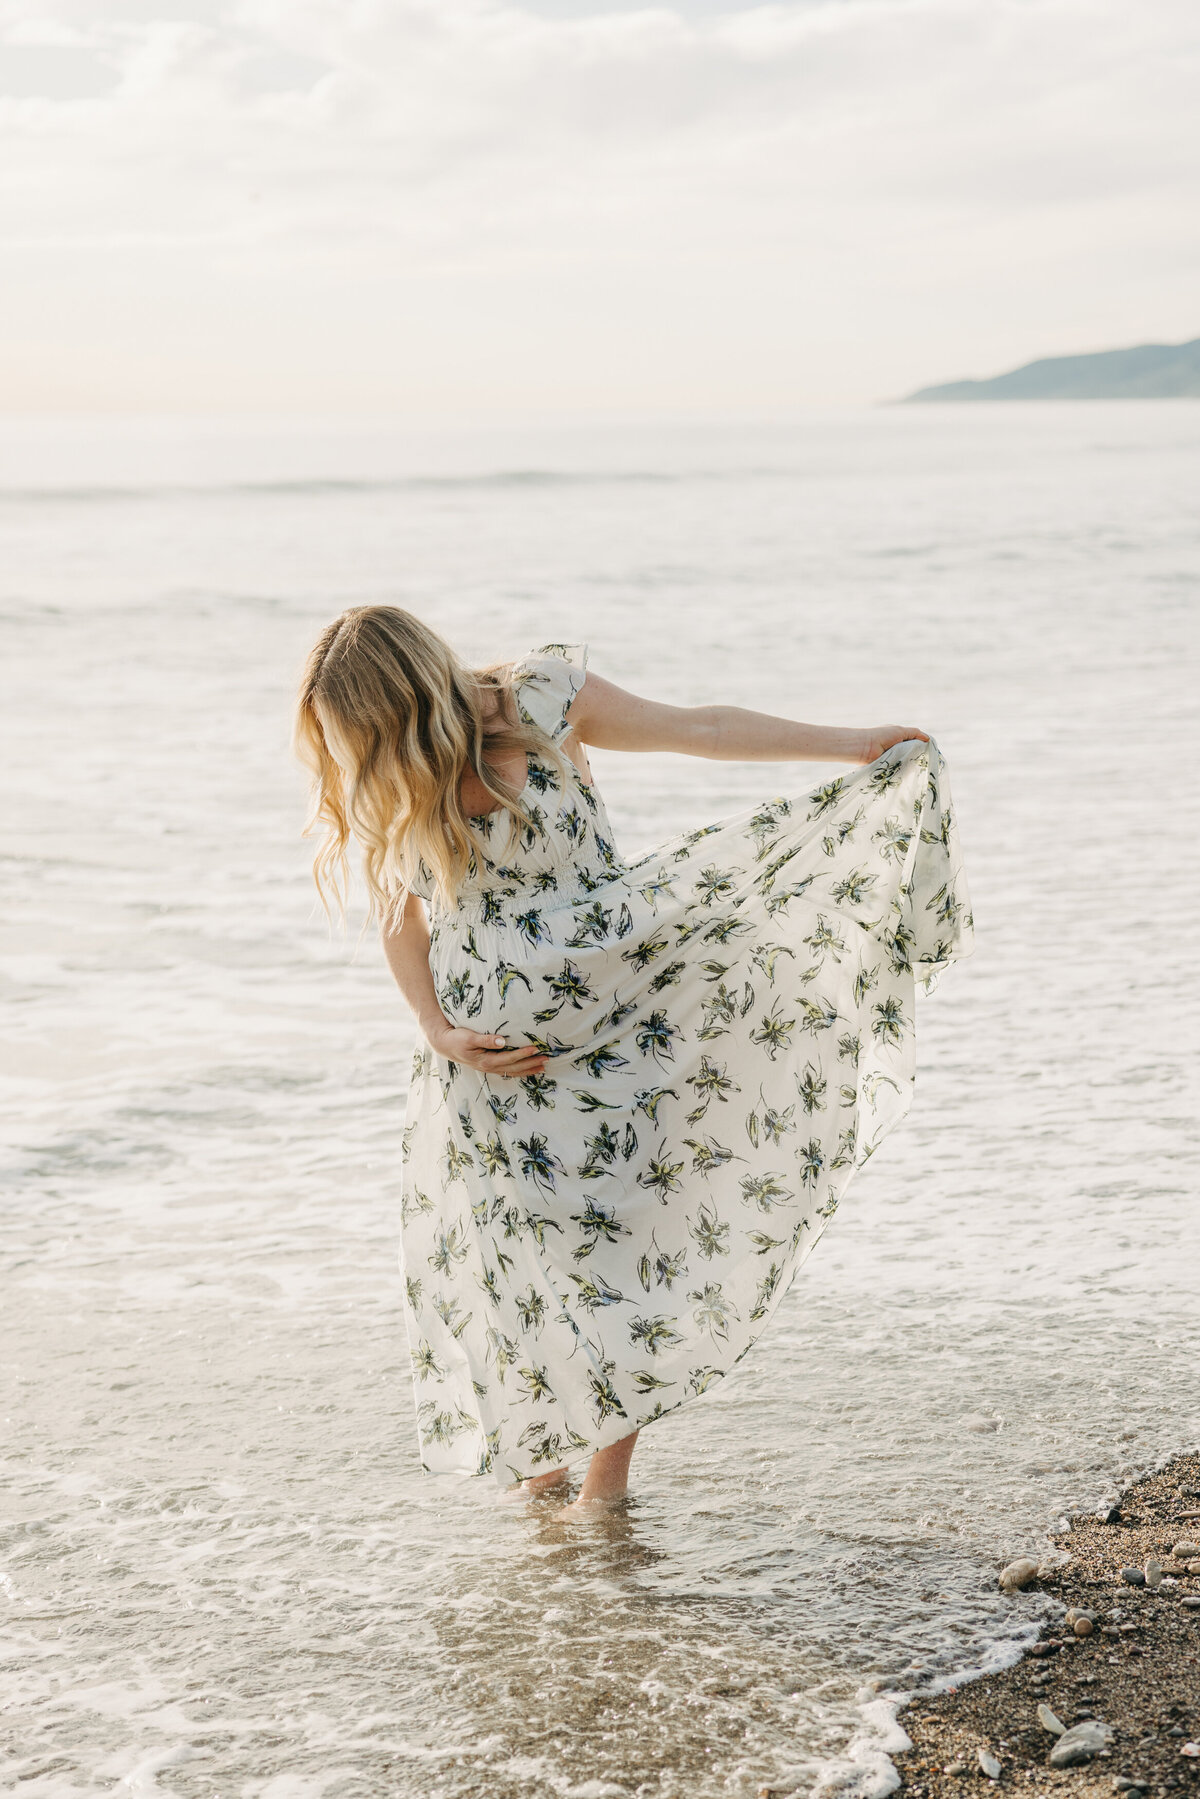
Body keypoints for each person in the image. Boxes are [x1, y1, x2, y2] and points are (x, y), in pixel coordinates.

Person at [295, 607, 973, 1512]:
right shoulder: (401, 775)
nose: (365, 746)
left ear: (405, 686)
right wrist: (433, 1026)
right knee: (520, 1266)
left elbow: (702, 728)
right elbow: (400, 914)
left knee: (621, 1250)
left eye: (367, 724)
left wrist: (853, 745)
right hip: (495, 1072)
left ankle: (602, 1493)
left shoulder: (544, 698)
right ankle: (541, 1478)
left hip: (621, 1027)